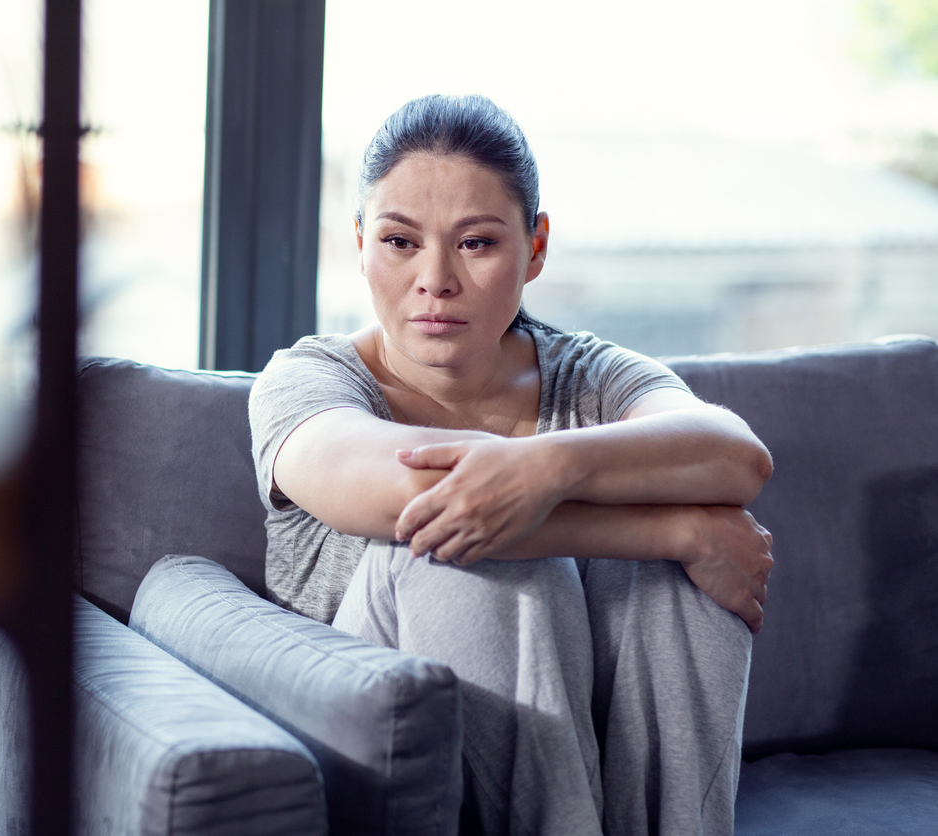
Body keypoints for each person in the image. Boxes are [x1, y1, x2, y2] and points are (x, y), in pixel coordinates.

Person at [248, 94, 774, 836]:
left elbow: (734, 456)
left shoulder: (584, 373)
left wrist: (546, 468)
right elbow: (424, 502)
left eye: (476, 243)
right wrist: (677, 530)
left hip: (584, 738)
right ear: (361, 242)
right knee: (470, 552)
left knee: (673, 570)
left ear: (535, 247)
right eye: (400, 241)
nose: (435, 279)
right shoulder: (306, 381)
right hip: (365, 737)